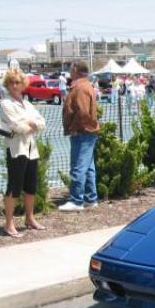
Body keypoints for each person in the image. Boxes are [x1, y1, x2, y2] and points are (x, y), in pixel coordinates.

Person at [0, 69, 46, 236]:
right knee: (14, 187)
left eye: (18, 82)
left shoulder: (28, 104)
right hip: (16, 150)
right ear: (7, 84)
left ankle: (29, 218)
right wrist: (31, 124)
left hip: (32, 149)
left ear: (23, 84)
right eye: (11, 82)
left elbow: (42, 123)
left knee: (31, 187)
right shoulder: (5, 104)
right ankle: (9, 223)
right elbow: (16, 126)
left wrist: (30, 124)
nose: (15, 85)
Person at [59, 61, 100, 212]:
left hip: (82, 132)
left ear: (76, 70)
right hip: (88, 132)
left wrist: (75, 128)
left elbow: (82, 112)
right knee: (88, 167)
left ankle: (76, 200)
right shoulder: (86, 86)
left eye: (71, 68)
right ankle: (91, 199)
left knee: (78, 166)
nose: (69, 71)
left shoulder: (80, 88)